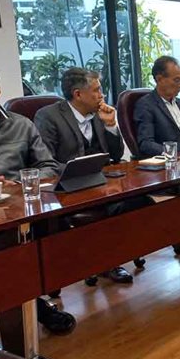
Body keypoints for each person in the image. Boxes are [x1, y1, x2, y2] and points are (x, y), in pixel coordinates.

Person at [0, 61, 75, 335]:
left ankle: (28, 304)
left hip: (19, 209)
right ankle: (36, 310)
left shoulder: (21, 126)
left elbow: (49, 166)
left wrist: (18, 182)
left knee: (56, 235)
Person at [34, 67, 133, 284]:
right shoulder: (48, 116)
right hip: (66, 190)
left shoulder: (99, 113)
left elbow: (115, 155)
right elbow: (46, 161)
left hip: (100, 183)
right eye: (97, 90)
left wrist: (110, 125)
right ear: (78, 94)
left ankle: (110, 258)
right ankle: (96, 263)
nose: (102, 96)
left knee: (135, 202)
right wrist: (77, 171)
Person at [134, 56, 180, 159]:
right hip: (174, 160)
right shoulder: (146, 105)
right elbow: (146, 143)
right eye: (176, 80)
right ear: (159, 79)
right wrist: (171, 153)